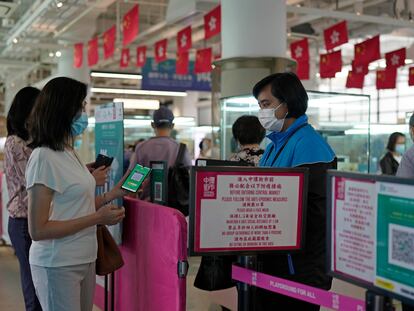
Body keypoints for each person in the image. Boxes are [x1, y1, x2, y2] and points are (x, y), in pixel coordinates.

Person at [25, 77, 127, 311]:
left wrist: (112, 194)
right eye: (80, 106)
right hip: (57, 262)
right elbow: (38, 230)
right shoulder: (43, 157)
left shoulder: (68, 152)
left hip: (84, 257)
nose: (84, 113)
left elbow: (76, 206)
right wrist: (98, 218)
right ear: (64, 110)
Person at [253, 72, 337, 310]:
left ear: (287, 103)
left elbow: (314, 217)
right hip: (275, 261)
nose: (262, 111)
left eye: (267, 104)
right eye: (260, 105)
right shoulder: (274, 145)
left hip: (298, 270)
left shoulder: (309, 145)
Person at [4, 86, 42, 311]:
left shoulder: (29, 141)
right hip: (23, 222)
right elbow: (35, 182)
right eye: (38, 107)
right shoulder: (16, 143)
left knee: (38, 285)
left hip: (31, 220)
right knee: (33, 289)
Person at [128, 106, 191, 197]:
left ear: (153, 125)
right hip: (174, 204)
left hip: (147, 203)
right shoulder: (181, 148)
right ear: (172, 126)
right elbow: (188, 177)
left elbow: (133, 183)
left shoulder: (141, 147)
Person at [397, 114, 414, 178]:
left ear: (412, 130)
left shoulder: (409, 156)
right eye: (399, 143)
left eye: (403, 143)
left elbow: (402, 186)